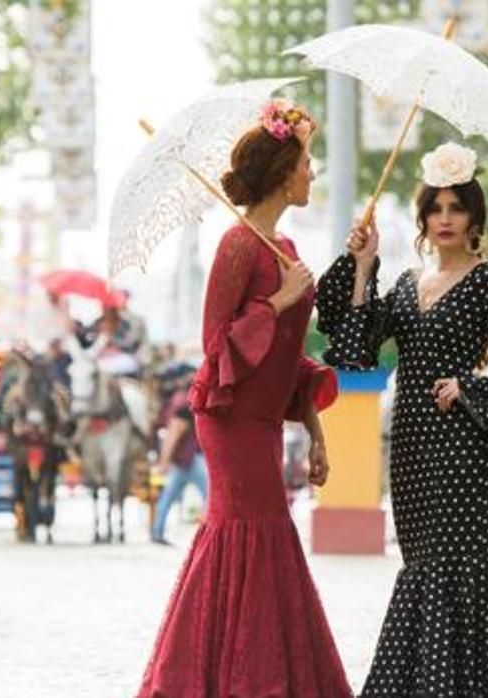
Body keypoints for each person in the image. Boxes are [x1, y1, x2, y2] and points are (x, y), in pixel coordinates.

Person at [317, 141, 488, 696]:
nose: (445, 219)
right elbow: (357, 348)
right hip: (411, 446)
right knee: (420, 563)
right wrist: (362, 263)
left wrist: (472, 386)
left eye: (456, 208)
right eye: (436, 209)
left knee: (459, 564)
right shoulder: (404, 284)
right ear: (422, 217)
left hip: (460, 443)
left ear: (474, 216)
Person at [137, 100, 352, 697]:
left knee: (267, 535)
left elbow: (289, 359)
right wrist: (279, 301)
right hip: (229, 420)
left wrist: (315, 430)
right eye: (307, 162)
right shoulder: (237, 245)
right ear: (284, 171)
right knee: (247, 534)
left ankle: (267, 675)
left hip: (265, 420)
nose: (313, 173)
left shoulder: (285, 247)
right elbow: (214, 346)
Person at [149, 367, 207, 546]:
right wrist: (164, 461)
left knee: (168, 496)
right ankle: (207, 534)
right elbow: (173, 434)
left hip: (182, 460)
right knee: (211, 495)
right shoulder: (183, 404)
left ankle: (157, 532)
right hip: (191, 459)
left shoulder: (176, 401)